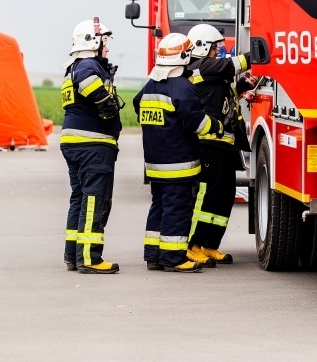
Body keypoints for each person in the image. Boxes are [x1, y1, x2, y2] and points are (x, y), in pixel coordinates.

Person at [134, 33, 224, 273]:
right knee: (178, 208)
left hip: (154, 163)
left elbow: (136, 103)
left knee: (159, 207)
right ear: (184, 56)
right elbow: (197, 123)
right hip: (179, 163)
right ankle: (173, 258)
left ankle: (153, 255)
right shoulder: (183, 87)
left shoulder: (151, 84)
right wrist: (216, 126)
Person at [185, 24, 255, 266]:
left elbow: (225, 92)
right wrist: (256, 55)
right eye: (215, 47)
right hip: (208, 145)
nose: (218, 52)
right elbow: (229, 66)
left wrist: (244, 85)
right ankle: (192, 245)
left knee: (224, 196)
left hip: (224, 145)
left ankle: (210, 244)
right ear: (203, 46)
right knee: (207, 196)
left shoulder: (211, 72)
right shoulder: (199, 66)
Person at [60, 17, 122, 274]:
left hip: (75, 142)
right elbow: (88, 82)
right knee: (96, 200)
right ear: (92, 42)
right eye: (104, 43)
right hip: (92, 144)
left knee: (80, 198)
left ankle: (73, 255)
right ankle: (89, 258)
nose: (107, 49)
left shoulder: (71, 67)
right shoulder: (87, 65)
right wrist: (105, 100)